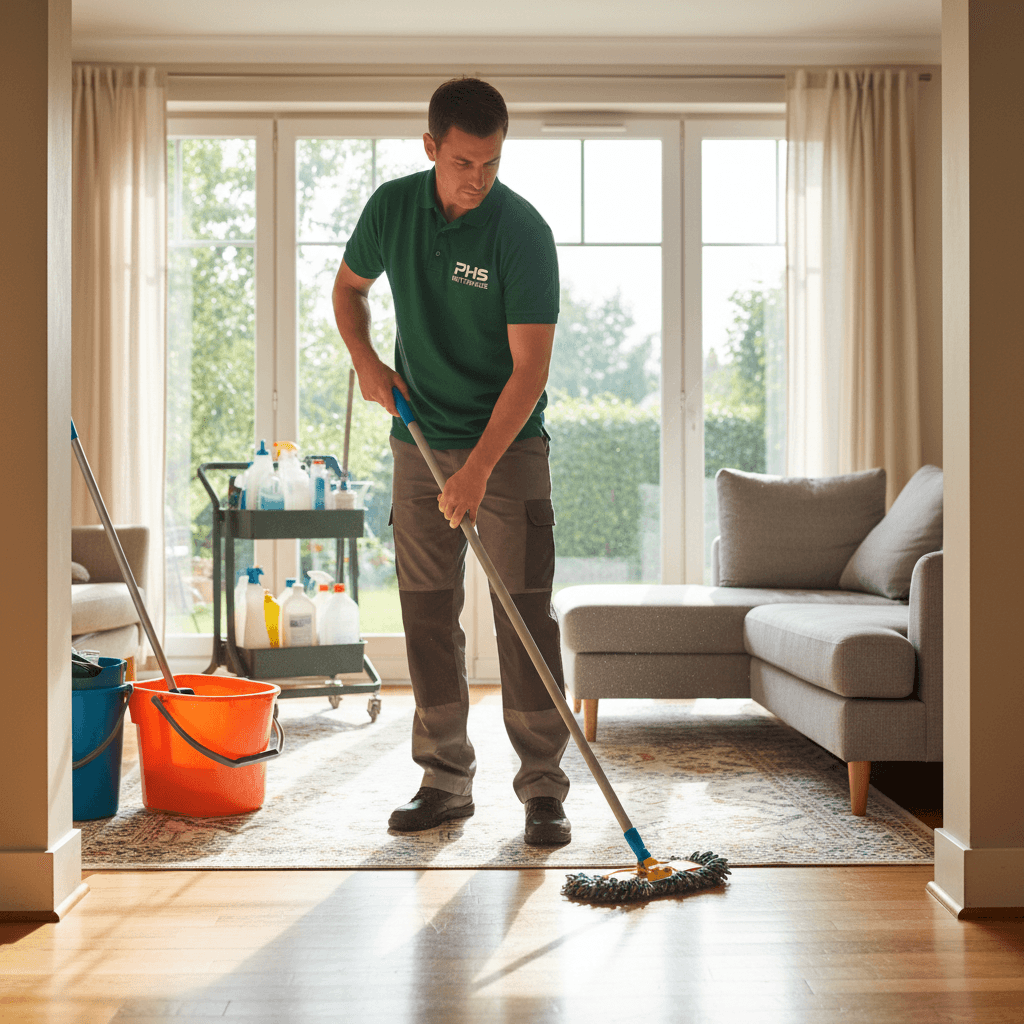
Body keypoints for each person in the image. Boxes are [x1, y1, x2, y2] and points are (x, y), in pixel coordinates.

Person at [332, 77, 571, 846]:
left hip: (510, 444)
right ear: (431, 147)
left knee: (524, 609)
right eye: (465, 161)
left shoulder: (522, 232)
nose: (479, 178)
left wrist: (477, 472)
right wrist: (367, 360)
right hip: (419, 438)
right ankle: (444, 779)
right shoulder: (392, 209)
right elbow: (348, 290)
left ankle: (542, 788)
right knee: (428, 611)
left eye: (493, 163)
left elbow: (529, 369)